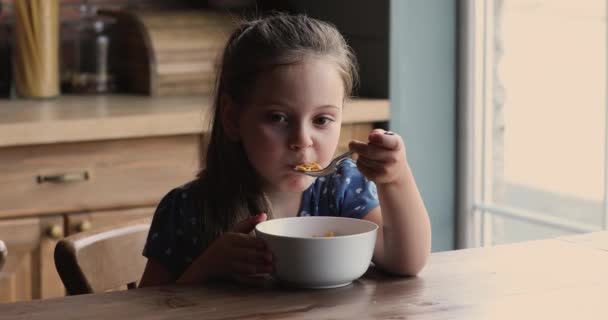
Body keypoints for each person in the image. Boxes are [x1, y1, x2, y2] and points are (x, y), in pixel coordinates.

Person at [138, 13, 431, 287]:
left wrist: (396, 179)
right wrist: (206, 269)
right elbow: (145, 309)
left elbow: (405, 261)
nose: (302, 140)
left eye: (321, 120)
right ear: (232, 118)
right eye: (278, 117)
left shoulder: (342, 188)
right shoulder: (186, 209)